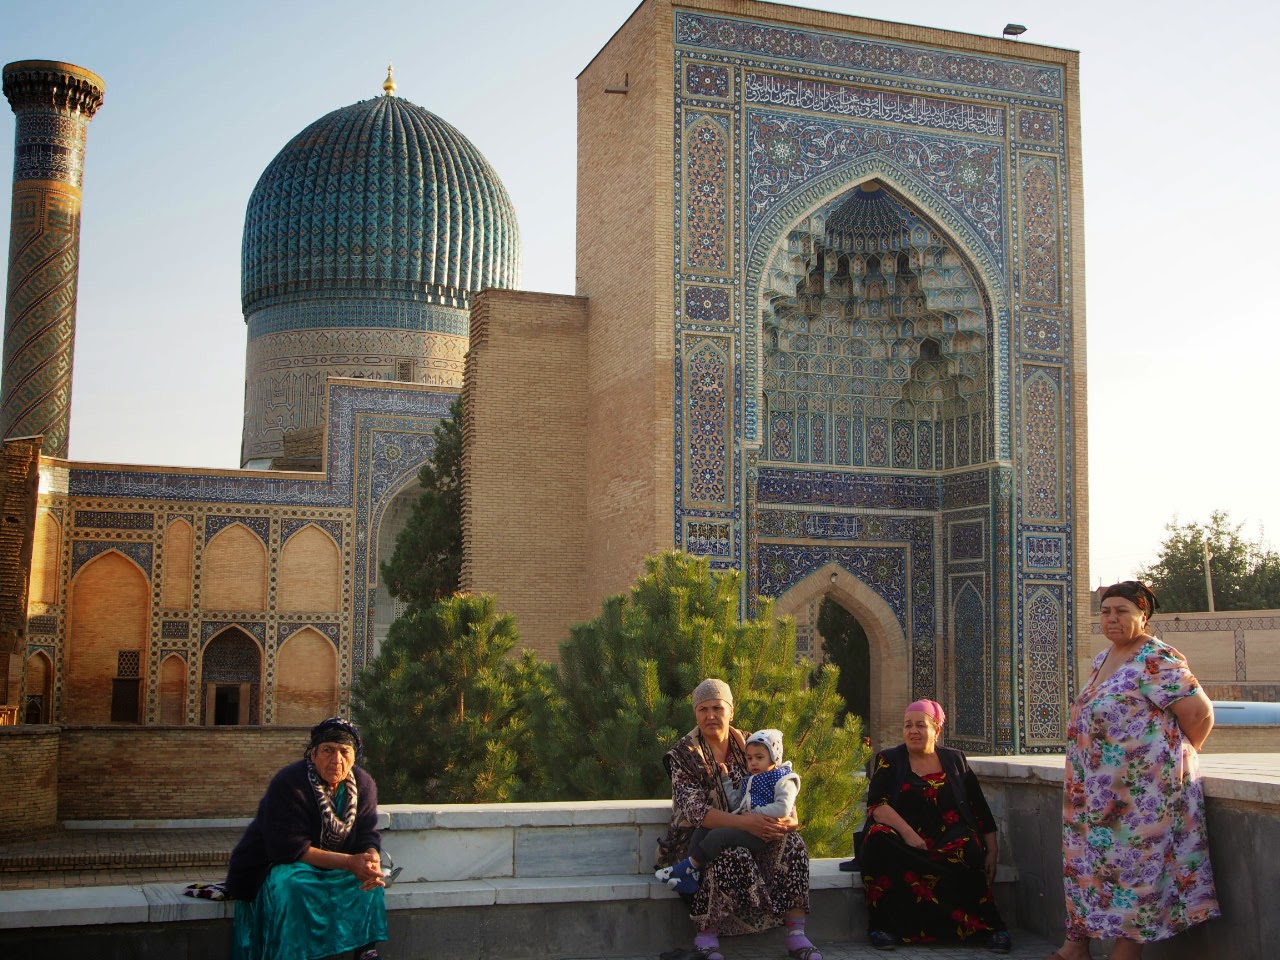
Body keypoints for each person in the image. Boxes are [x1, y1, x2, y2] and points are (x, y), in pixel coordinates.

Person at [1051, 581, 1219, 960]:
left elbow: (1200, 714)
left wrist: (1168, 763)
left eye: (1122, 611)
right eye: (1106, 611)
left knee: (1134, 874)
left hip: (1143, 798)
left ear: (1143, 615)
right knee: (1090, 868)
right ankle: (1076, 947)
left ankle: (1125, 953)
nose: (1112, 618)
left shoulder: (1156, 658)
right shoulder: (1103, 659)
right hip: (1095, 797)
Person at [656, 679, 819, 960]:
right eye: (702, 709)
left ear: (731, 710)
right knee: (728, 852)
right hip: (699, 840)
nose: (710, 716)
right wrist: (747, 823)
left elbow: (783, 786)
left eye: (717, 708)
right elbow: (696, 812)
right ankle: (706, 937)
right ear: (695, 713)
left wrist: (789, 822)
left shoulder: (754, 743)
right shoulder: (683, 755)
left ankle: (796, 934)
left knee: (793, 844)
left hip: (756, 828)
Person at [224, 717, 388, 960]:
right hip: (276, 864)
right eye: (328, 751)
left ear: (355, 757)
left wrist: (371, 858)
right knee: (293, 885)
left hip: (332, 864)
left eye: (345, 752)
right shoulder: (291, 783)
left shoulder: (363, 784)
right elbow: (288, 849)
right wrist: (349, 862)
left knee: (370, 881)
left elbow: (367, 834)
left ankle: (366, 950)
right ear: (312, 755)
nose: (337, 760)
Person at [859, 699, 1011, 953]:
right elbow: (877, 806)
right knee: (878, 838)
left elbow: (978, 807)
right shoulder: (890, 759)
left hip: (946, 840)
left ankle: (990, 927)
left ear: (936, 730)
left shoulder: (954, 760)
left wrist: (992, 851)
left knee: (969, 846)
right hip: (904, 841)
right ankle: (884, 927)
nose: (913, 731)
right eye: (908, 726)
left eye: (920, 725)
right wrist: (908, 834)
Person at [657, 727, 800, 893]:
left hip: (764, 832)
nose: (753, 762)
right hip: (745, 826)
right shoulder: (750, 778)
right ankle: (692, 875)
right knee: (704, 829)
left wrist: (755, 816)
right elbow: (737, 803)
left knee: (719, 835)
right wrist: (725, 780)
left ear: (774, 757)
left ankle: (688, 867)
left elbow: (784, 807)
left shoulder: (783, 778)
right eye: (750, 758)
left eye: (759, 758)